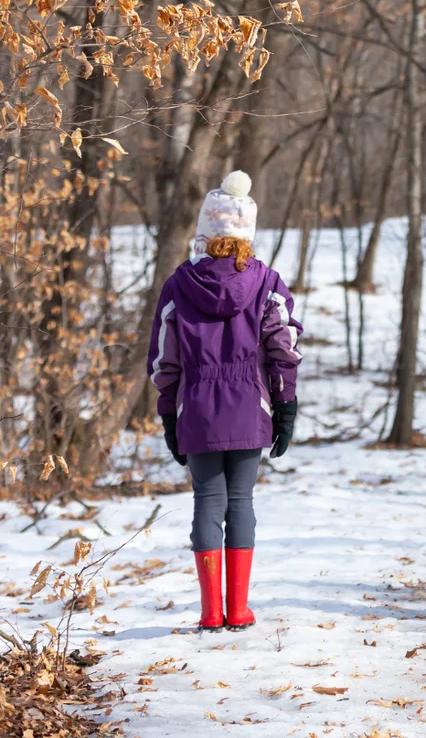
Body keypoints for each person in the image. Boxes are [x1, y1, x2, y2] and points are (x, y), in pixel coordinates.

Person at [148, 171, 303, 632]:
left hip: (196, 410)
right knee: (241, 501)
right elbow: (284, 348)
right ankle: (238, 609)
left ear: (205, 233)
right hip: (249, 408)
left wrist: (167, 415)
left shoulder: (179, 285)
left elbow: (164, 358)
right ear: (246, 236)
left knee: (206, 504)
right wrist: (286, 406)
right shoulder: (266, 282)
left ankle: (210, 612)